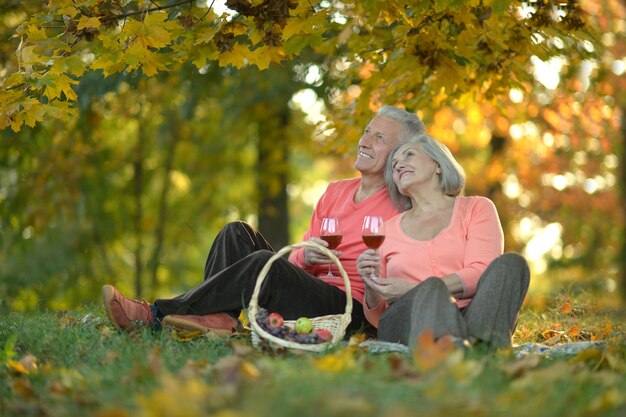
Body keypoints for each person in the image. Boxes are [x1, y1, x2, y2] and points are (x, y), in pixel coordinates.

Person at [102, 105, 426, 337]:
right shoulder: (335, 192)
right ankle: (221, 320)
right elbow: (298, 260)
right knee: (235, 232)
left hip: (350, 309)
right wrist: (305, 255)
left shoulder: (403, 202)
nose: (365, 140)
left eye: (379, 137)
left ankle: (154, 315)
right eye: (367, 131)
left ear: (400, 154)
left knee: (261, 264)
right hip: (309, 290)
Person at [356, 133, 530, 348]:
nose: (398, 165)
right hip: (410, 319)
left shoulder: (476, 208)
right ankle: (473, 349)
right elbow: (377, 314)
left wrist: (415, 287)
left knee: (512, 265)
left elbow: (482, 272)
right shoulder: (384, 230)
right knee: (432, 292)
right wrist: (370, 286)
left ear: (437, 164)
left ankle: (479, 346)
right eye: (394, 165)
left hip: (472, 314)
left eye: (408, 155)